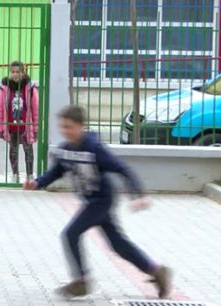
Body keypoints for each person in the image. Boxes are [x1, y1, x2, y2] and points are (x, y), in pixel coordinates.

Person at [23, 105, 172, 299]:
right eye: (62, 127)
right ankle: (156, 271)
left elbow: (122, 169)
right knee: (118, 244)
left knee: (70, 234)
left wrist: (138, 194)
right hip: (91, 200)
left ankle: (81, 281)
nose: (65, 131)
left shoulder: (95, 148)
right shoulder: (65, 149)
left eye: (69, 127)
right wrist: (37, 183)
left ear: (81, 126)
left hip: (102, 200)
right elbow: (56, 172)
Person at [0, 60, 39, 183]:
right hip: (11, 125)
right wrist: (0, 127)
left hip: (26, 125)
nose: (15, 74)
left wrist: (36, 127)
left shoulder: (30, 88)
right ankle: (15, 174)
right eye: (13, 72)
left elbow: (35, 109)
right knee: (13, 151)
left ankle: (30, 175)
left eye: (18, 72)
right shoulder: (5, 88)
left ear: (23, 73)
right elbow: (0, 109)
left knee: (28, 150)